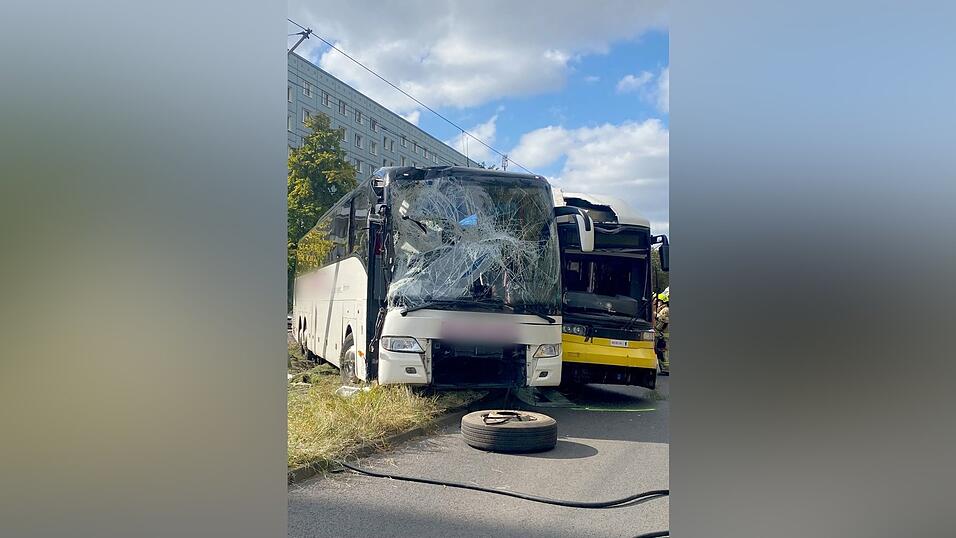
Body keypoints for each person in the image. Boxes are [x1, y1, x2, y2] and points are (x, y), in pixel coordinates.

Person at [654, 287, 670, 375]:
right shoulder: (662, 309)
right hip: (662, 334)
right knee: (661, 351)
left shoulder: (665, 310)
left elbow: (663, 322)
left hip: (664, 335)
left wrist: (657, 328)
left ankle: (666, 369)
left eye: (659, 300)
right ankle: (664, 368)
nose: (658, 302)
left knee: (664, 352)